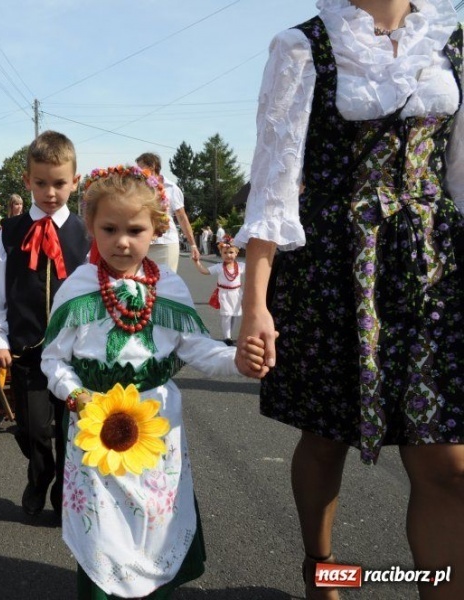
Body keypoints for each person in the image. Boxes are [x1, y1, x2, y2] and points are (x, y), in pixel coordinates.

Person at [234, 1, 464, 599]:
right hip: (332, 270)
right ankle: (322, 568)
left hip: (434, 271)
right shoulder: (303, 46)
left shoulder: (453, 42)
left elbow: (460, 179)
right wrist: (255, 304)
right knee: (325, 438)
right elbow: (273, 189)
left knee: (448, 465)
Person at [41, 166, 266, 599]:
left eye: (135, 230)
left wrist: (238, 360)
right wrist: (76, 395)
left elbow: (198, 349)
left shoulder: (171, 286)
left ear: (157, 229)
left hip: (157, 427)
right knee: (103, 527)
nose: (122, 241)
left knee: (154, 520)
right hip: (93, 426)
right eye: (109, 229)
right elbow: (53, 360)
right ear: (91, 227)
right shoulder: (77, 287)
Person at [0, 131, 90, 518]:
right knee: (33, 429)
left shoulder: (86, 233)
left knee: (69, 429)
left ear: (75, 181)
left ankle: (64, 489)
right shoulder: (10, 233)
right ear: (27, 181)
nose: (50, 192)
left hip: (74, 354)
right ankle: (40, 472)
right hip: (27, 353)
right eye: (41, 183)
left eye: (59, 183)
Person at [136, 152, 199, 271]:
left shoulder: (171, 187)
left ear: (152, 166)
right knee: (142, 280)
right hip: (142, 242)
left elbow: (182, 217)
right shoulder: (137, 187)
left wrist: (193, 245)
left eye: (140, 167)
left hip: (166, 242)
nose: (138, 171)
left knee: (167, 280)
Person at [191, 235, 244, 345]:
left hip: (237, 294)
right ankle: (227, 337)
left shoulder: (240, 266)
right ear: (221, 253)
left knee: (235, 315)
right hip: (224, 294)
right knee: (226, 315)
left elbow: (253, 270)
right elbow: (205, 271)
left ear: (236, 253)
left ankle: (230, 334)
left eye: (231, 252)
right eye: (225, 253)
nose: (228, 255)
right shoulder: (219, 267)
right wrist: (197, 262)